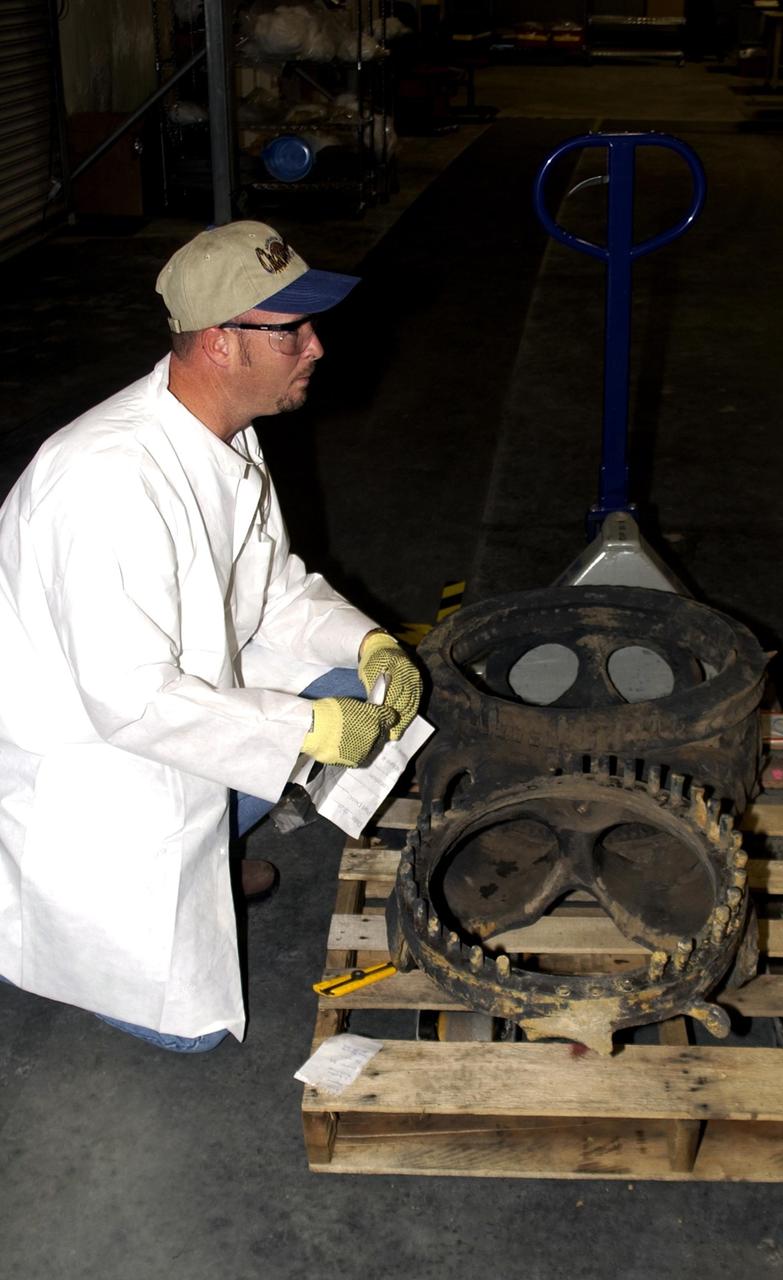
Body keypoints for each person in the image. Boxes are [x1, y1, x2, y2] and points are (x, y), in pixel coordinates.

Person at [0, 220, 422, 1053]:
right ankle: (59, 925)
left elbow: (273, 591)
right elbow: (129, 700)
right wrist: (303, 732)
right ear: (221, 345)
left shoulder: (222, 435)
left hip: (163, 724)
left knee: (352, 692)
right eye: (291, 330)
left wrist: (368, 643)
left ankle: (213, 845)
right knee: (191, 1032)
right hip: (92, 773)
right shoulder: (106, 480)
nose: (316, 347)